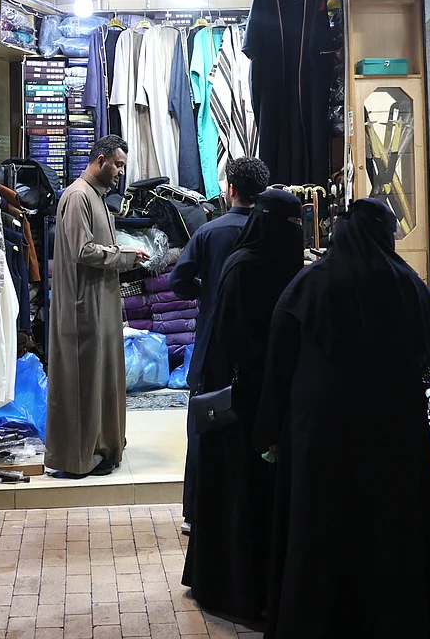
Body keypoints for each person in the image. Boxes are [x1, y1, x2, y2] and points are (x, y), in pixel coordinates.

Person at [254, 198, 430, 639]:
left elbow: (279, 361)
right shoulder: (405, 282)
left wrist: (269, 429)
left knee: (320, 529)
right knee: (389, 530)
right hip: (392, 432)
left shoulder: (309, 283)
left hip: (322, 432)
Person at [182, 188, 303, 626]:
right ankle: (236, 591)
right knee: (240, 494)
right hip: (244, 402)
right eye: (289, 225)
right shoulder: (245, 266)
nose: (295, 233)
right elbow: (236, 338)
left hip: (266, 399)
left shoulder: (275, 264)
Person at [168, 156, 270, 535]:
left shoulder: (211, 233)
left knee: (205, 422)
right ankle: (252, 510)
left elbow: (179, 281)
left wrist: (208, 290)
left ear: (230, 189)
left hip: (215, 342)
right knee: (257, 421)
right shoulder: (274, 232)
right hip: (261, 344)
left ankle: (196, 513)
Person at [46, 135, 149, 478]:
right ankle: (79, 457)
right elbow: (83, 250)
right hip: (83, 306)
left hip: (98, 302)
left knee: (101, 376)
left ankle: (102, 446)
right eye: (118, 165)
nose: (121, 172)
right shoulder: (78, 196)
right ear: (100, 160)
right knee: (83, 381)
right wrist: (126, 256)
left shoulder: (97, 196)